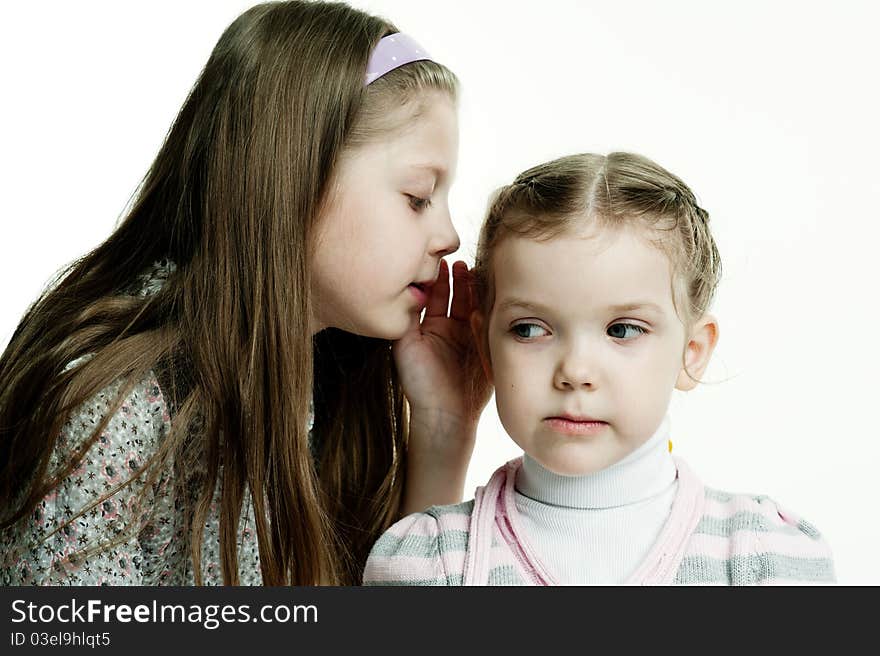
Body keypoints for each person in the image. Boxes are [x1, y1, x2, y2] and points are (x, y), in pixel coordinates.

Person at [0, 0, 489, 586]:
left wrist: (441, 429)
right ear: (295, 176)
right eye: (417, 196)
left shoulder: (319, 375)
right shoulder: (115, 412)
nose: (449, 234)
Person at [363, 152, 835, 585]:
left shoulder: (765, 558)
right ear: (486, 346)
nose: (575, 371)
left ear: (692, 352)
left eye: (623, 330)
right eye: (529, 329)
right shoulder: (431, 559)